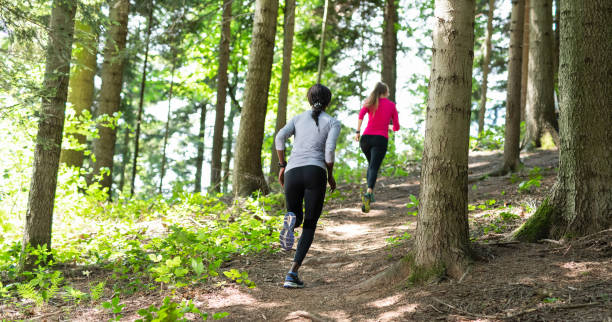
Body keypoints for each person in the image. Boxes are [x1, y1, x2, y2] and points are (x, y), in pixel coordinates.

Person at [275, 84, 341, 289]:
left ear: (308, 99)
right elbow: (329, 152)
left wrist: (282, 166)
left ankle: (291, 222)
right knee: (310, 224)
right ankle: (292, 273)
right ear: (328, 102)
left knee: (294, 215)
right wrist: (329, 175)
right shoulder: (333, 122)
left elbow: (279, 137)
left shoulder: (297, 118)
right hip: (315, 172)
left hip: (292, 172)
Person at [355, 82, 400, 213]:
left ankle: (370, 193)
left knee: (371, 166)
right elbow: (396, 127)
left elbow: (361, 115)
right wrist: (388, 126)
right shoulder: (391, 105)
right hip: (380, 139)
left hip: (365, 139)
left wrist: (357, 132)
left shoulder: (370, 102)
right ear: (385, 92)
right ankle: (368, 193)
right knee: (374, 166)